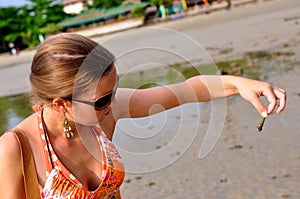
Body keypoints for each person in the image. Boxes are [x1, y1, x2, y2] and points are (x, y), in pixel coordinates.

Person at [0, 33, 286, 198]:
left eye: (114, 91)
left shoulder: (104, 112)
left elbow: (186, 91)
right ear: (61, 104)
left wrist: (239, 84)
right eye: (101, 100)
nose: (112, 103)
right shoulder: (16, 148)